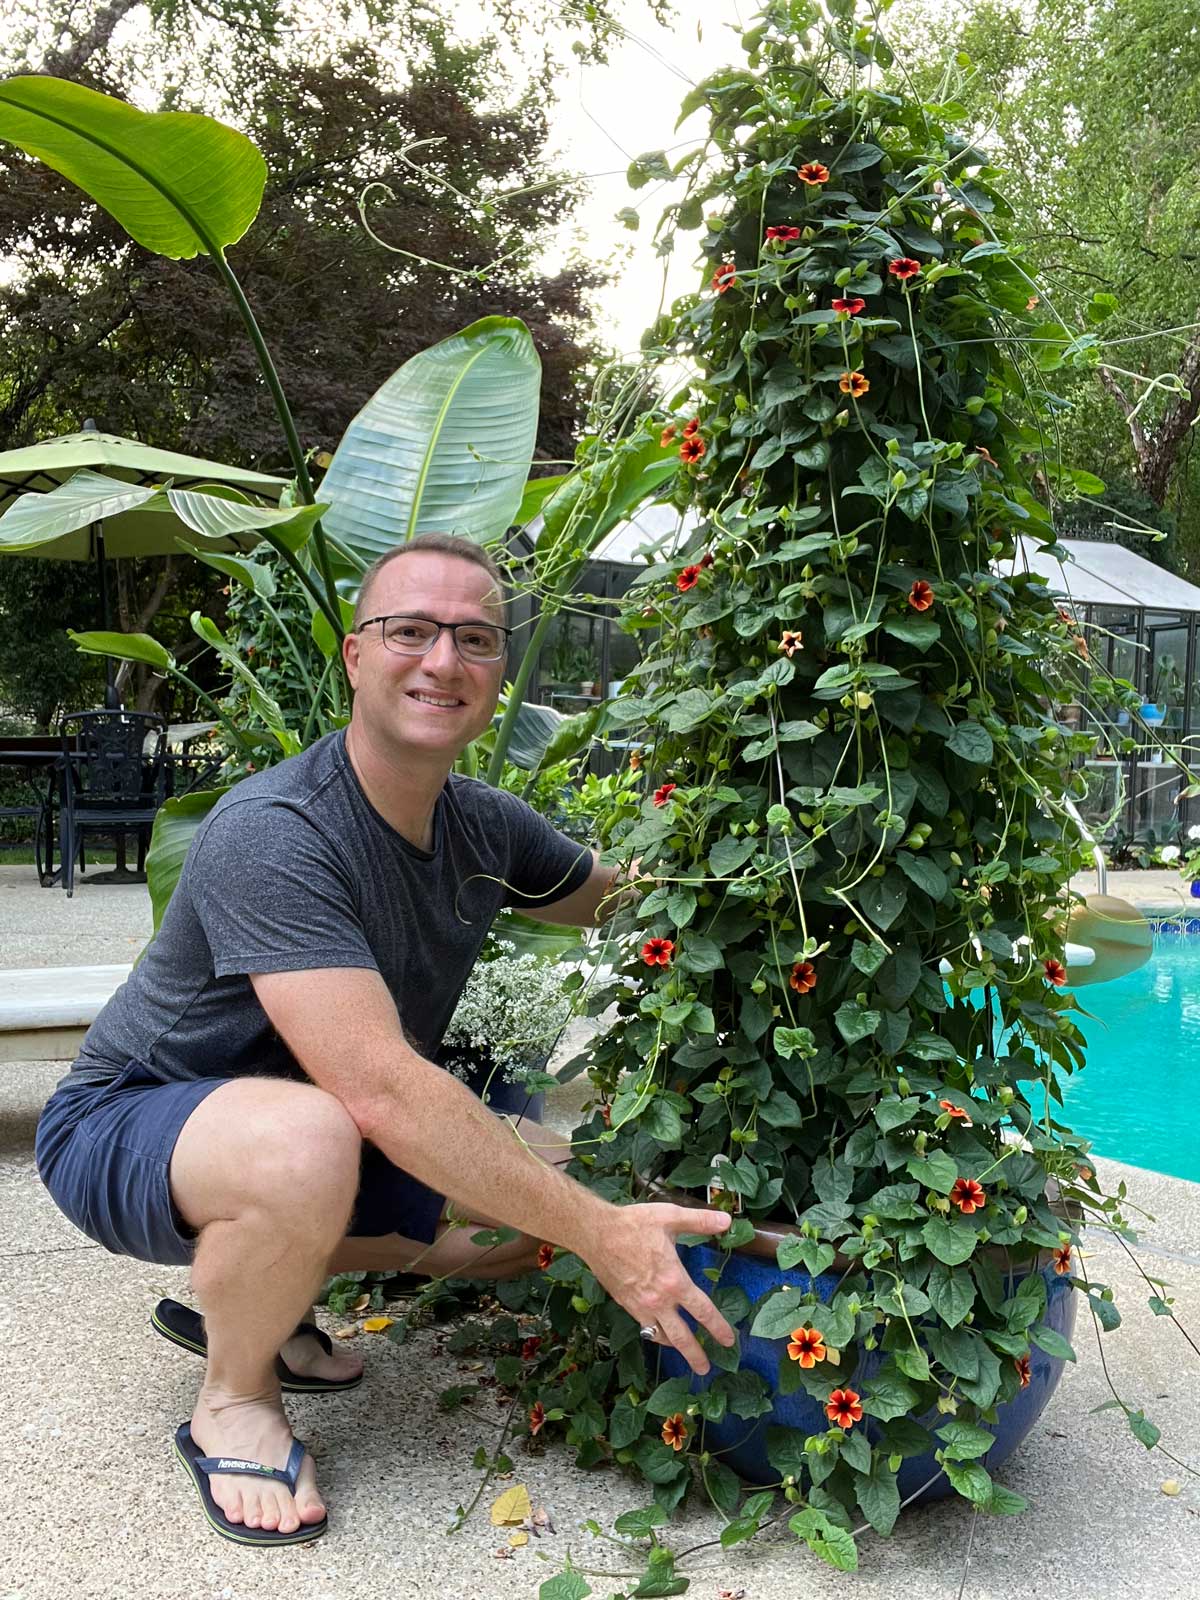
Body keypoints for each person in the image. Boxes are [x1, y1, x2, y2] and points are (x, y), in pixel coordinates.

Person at [35, 533, 735, 1547]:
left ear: (500, 670)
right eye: (409, 630)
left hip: (313, 1127)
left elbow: (621, 902)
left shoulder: (485, 827)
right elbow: (382, 1093)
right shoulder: (279, 828)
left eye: (475, 638)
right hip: (131, 1124)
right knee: (329, 1138)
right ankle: (233, 1395)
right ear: (357, 656)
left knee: (526, 1217)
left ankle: (252, 1291)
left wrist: (756, 862)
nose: (442, 660)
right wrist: (603, 1236)